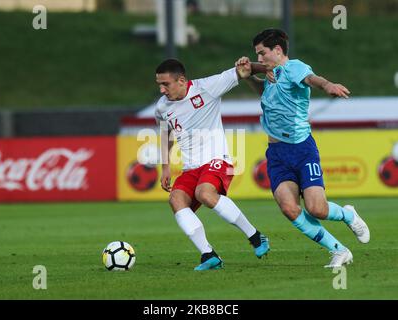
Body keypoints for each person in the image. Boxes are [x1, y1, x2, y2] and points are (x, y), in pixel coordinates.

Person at [236, 28, 370, 268]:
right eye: (257, 54)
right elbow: (264, 93)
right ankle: (339, 250)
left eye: (262, 53)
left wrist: (327, 85)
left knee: (317, 208)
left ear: (278, 50)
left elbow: (312, 79)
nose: (259, 59)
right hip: (276, 153)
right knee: (289, 208)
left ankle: (348, 215)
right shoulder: (271, 74)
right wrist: (249, 77)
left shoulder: (294, 67)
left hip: (301, 149)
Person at [155, 58, 270, 271]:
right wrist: (165, 166)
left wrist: (271, 68)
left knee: (205, 194)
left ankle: (255, 236)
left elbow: (242, 70)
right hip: (191, 168)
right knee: (176, 200)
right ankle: (208, 254)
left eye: (166, 84)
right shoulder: (162, 107)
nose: (162, 90)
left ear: (181, 80)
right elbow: (165, 134)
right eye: (159, 85)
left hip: (218, 160)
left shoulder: (206, 87)